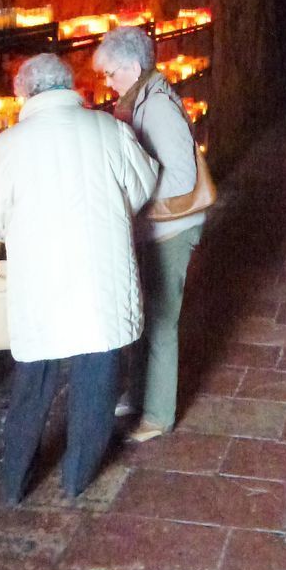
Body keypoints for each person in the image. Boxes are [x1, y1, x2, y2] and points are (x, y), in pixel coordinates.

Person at [0, 53, 158, 504]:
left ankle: (16, 480)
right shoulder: (108, 130)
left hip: (41, 279)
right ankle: (78, 476)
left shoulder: (7, 146)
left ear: (25, 94)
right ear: (68, 86)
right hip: (101, 275)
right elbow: (141, 186)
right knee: (98, 374)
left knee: (34, 378)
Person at [92, 25, 206, 443]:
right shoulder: (138, 98)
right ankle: (139, 394)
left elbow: (181, 177)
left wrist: (133, 194)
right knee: (144, 313)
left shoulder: (157, 106)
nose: (106, 82)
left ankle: (158, 415)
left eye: (110, 74)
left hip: (170, 228)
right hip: (152, 227)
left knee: (161, 319)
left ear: (134, 67)